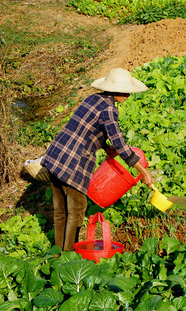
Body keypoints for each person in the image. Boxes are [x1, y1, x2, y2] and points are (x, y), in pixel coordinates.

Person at [41, 68, 154, 251]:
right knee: (77, 211)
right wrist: (144, 172)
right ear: (114, 90)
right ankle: (70, 255)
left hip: (56, 156)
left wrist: (104, 146)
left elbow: (86, 128)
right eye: (125, 91)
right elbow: (121, 145)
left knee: (61, 211)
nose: (128, 95)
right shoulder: (109, 110)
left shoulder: (92, 99)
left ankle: (57, 254)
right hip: (73, 164)